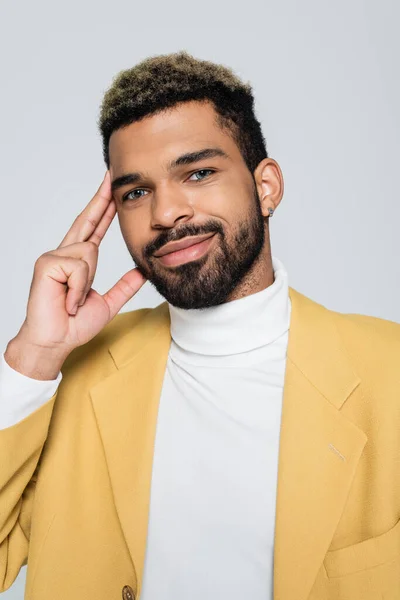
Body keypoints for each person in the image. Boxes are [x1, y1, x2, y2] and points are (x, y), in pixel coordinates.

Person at [0, 50, 399, 600]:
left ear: (267, 187)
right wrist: (32, 358)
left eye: (199, 172)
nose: (166, 213)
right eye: (136, 192)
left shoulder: (389, 372)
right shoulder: (71, 373)